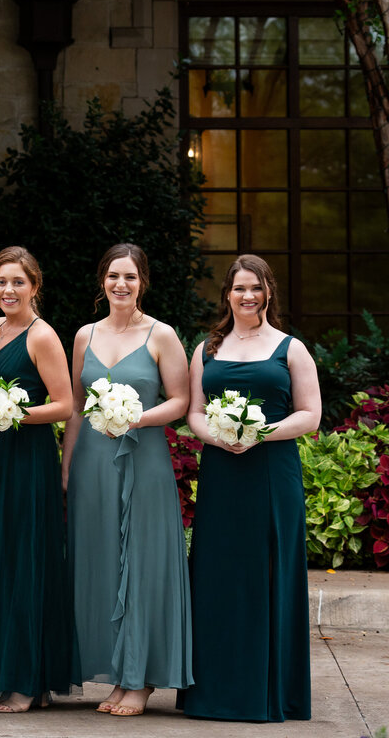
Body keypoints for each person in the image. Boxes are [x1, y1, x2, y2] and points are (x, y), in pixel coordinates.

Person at [179, 255, 320, 722]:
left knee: (268, 573)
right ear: (228, 294)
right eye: (239, 288)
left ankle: (270, 692)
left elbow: (310, 415)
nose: (247, 296)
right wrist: (218, 435)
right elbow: (194, 412)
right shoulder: (207, 350)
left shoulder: (290, 348)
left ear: (268, 293)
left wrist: (259, 433)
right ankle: (214, 692)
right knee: (219, 575)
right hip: (222, 475)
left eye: (256, 288)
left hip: (271, 476)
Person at [63, 244, 192, 717]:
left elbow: (180, 401)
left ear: (143, 283)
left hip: (144, 459)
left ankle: (141, 680)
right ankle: (117, 675)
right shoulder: (83, 335)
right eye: (114, 276)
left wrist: (136, 418)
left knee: (142, 563)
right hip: (92, 463)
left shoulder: (162, 335)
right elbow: (76, 406)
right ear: (103, 281)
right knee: (100, 564)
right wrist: (66, 467)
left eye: (131, 278)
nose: (121, 284)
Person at [0, 246, 77, 712]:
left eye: (18, 282)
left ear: (35, 286)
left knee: (23, 561)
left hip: (26, 458)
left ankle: (25, 683)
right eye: (1, 282)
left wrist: (12, 411)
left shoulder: (43, 336)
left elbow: (63, 405)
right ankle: (1, 671)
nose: (8, 291)